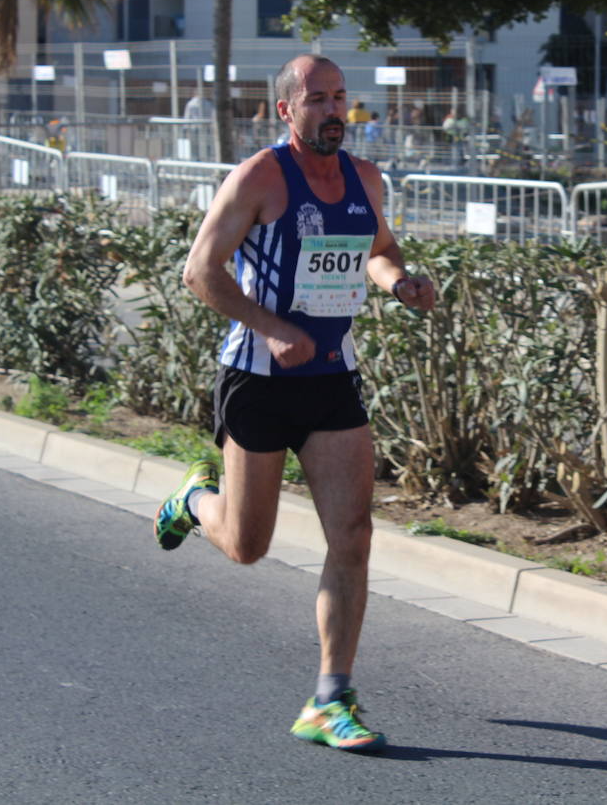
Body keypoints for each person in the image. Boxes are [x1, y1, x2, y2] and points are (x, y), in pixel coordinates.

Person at [154, 54, 435, 753]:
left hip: (332, 379)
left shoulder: (364, 178)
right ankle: (194, 501)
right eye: (317, 99)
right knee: (248, 547)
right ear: (287, 110)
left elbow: (380, 248)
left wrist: (399, 282)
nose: (333, 110)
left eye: (340, 98)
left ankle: (330, 697)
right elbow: (199, 271)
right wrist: (273, 329)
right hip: (257, 379)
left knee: (354, 535)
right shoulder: (258, 177)